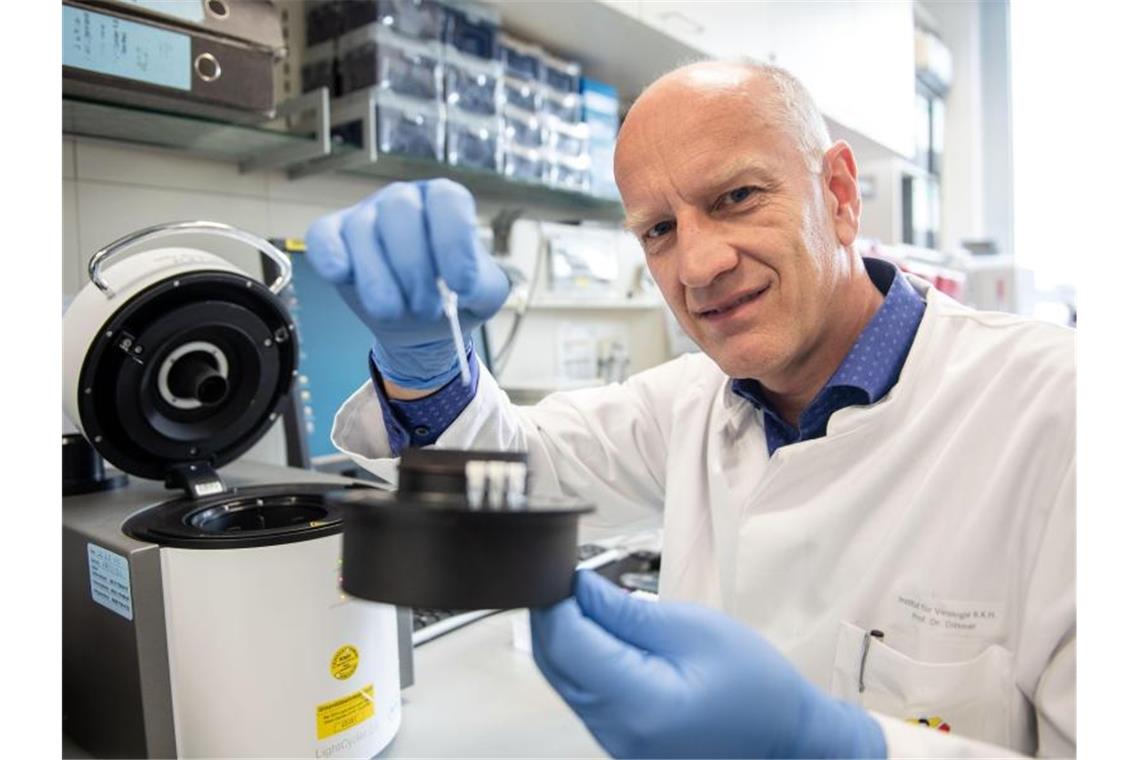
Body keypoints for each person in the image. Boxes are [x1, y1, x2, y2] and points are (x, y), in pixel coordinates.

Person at [306, 61, 1074, 758]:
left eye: (736, 197)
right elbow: (507, 470)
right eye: (659, 230)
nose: (699, 266)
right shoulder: (687, 403)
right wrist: (428, 366)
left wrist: (832, 748)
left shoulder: (1067, 412)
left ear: (838, 195)